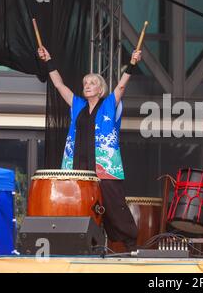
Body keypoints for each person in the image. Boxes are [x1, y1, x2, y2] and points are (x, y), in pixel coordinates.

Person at [38, 46, 141, 250]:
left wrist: (132, 64)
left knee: (113, 206)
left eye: (92, 82)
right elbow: (59, 85)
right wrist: (48, 60)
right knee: (80, 206)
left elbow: (120, 87)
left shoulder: (109, 104)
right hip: (78, 167)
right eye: (85, 82)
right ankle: (83, 246)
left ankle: (130, 245)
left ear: (100, 89)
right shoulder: (77, 104)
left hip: (104, 167)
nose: (87, 85)